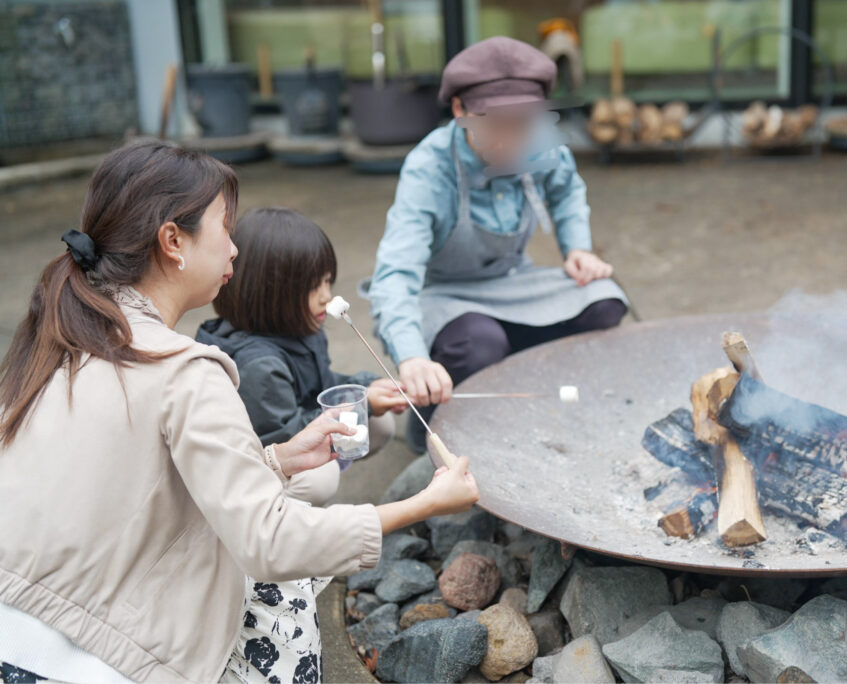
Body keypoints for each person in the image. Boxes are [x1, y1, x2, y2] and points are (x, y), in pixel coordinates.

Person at [0, 140, 478, 683]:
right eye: (226, 229)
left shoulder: (66, 331)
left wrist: (276, 459)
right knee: (285, 593)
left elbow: (133, 492)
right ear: (173, 241)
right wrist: (425, 503)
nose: (234, 250)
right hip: (90, 661)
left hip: (15, 626)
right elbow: (270, 543)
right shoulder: (185, 369)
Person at [368, 36, 629, 452]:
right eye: (493, 124)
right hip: (448, 296)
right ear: (458, 110)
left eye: (523, 123)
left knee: (604, 302)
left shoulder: (540, 142)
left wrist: (576, 248)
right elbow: (395, 274)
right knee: (479, 343)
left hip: (515, 283)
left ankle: (539, 405)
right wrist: (413, 358)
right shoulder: (430, 169)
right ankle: (436, 426)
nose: (510, 139)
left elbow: (565, 189)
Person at [197, 208, 407, 506]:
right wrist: (361, 405)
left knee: (376, 423)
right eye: (313, 287)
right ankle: (281, 510)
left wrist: (364, 390)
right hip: (263, 460)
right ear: (270, 293)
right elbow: (285, 436)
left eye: (328, 282)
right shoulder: (259, 366)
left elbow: (319, 387)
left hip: (295, 428)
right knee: (319, 477)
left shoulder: (301, 328)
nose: (327, 296)